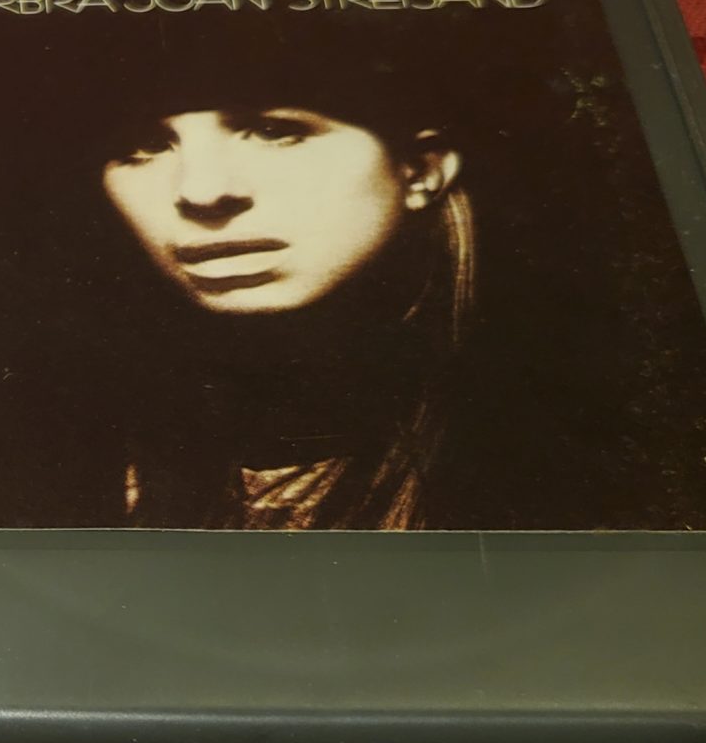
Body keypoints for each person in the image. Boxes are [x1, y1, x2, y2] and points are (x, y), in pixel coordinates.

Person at [92, 98, 473, 529]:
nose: (201, 192)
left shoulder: (525, 458)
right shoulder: (79, 447)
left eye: (272, 132)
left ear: (420, 171)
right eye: (146, 144)